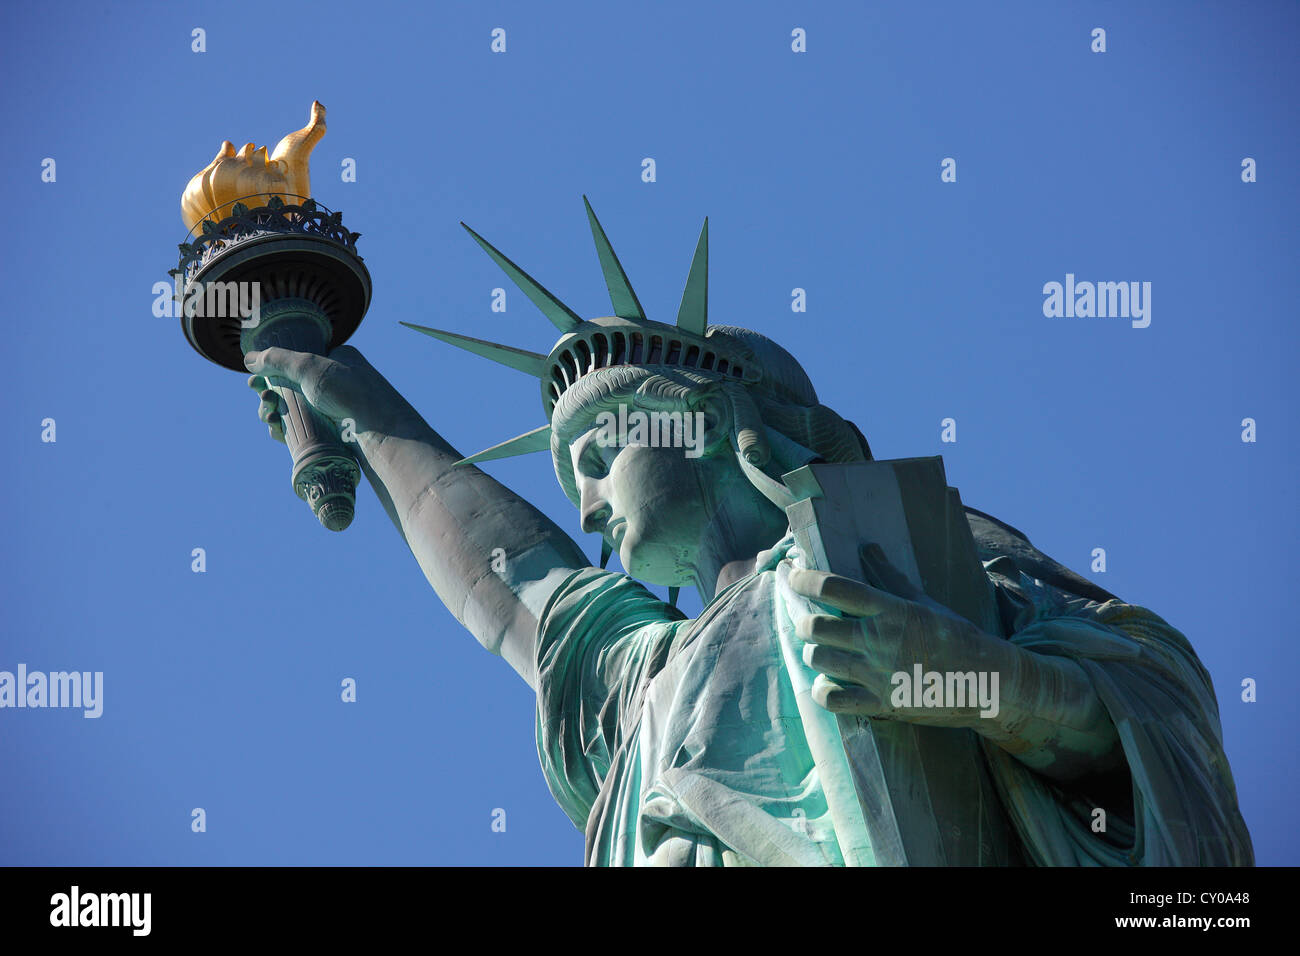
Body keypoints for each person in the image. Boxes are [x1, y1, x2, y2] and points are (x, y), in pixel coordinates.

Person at [243, 204, 1254, 866]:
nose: (583, 506)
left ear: (710, 424)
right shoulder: (652, 676)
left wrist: (972, 677)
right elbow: (521, 589)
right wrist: (345, 395)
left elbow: (1152, 701)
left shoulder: (894, 548)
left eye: (597, 454)